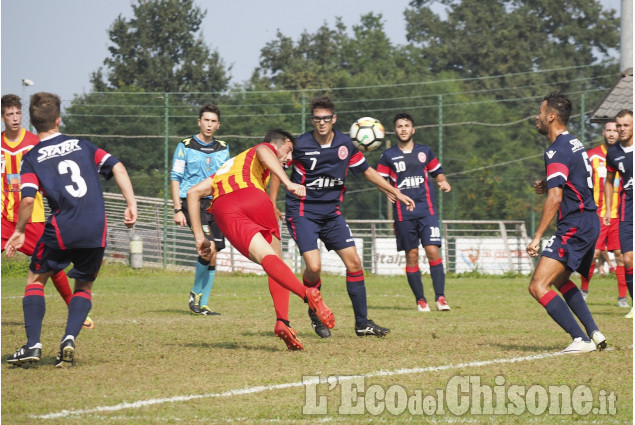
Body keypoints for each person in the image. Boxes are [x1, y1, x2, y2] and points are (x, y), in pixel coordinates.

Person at [5, 92, 137, 367]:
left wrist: (19, 230)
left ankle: (33, 345)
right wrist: (130, 204)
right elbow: (118, 167)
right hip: (95, 227)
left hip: (63, 227)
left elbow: (28, 198)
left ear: (31, 121)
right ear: (58, 119)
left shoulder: (32, 157)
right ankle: (68, 339)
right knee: (84, 286)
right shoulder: (83, 145)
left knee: (36, 279)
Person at [269, 96, 415, 339]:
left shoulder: (345, 144)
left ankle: (362, 323)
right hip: (303, 212)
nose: (322, 122)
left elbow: (366, 171)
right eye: (317, 118)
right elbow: (276, 171)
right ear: (312, 119)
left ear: (334, 119)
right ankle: (315, 309)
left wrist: (394, 190)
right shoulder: (301, 144)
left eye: (326, 118)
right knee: (314, 267)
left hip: (331, 213)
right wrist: (272, 204)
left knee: (355, 263)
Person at [187, 128, 335, 350]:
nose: (290, 157)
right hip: (255, 199)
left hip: (224, 209)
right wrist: (288, 183)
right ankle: (305, 296)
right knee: (275, 261)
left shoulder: (224, 171)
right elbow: (265, 150)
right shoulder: (263, 149)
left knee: (270, 261)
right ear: (281, 143)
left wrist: (200, 236)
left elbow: (192, 193)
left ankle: (283, 322)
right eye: (289, 150)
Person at [1, 94, 94, 329]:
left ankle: (73, 306)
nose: (14, 118)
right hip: (4, 216)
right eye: (9, 114)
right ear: (2, 117)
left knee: (50, 266)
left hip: (32, 216)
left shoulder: (35, 142)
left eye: (17, 113)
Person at [527, 92, 606, 354]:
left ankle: (579, 339)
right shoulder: (573, 143)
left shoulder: (557, 149)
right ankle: (594, 333)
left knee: (538, 285)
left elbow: (557, 196)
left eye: (540, 111)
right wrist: (547, 181)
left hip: (575, 225)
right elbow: (571, 181)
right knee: (560, 281)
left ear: (551, 116)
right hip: (588, 222)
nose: (536, 117)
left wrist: (537, 235)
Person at [377, 112, 452, 312]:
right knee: (412, 255)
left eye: (406, 125)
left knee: (433, 250)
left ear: (413, 129)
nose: (403, 129)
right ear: (395, 131)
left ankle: (441, 298)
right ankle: (421, 300)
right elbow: (380, 179)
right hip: (403, 213)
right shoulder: (388, 155)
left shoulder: (424, 152)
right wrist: (387, 191)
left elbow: (437, 172)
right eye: (399, 126)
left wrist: (442, 181)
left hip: (426, 210)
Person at [170, 104, 229, 316]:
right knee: (208, 246)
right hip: (194, 203)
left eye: (213, 121)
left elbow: (225, 179)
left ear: (218, 125)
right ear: (199, 122)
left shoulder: (223, 148)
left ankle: (204, 303)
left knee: (214, 255)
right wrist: (177, 209)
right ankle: (195, 294)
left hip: (216, 204)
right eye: (206, 120)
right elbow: (176, 178)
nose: (209, 124)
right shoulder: (184, 146)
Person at [581, 120, 627, 307]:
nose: (611, 133)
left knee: (621, 256)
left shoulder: (627, 155)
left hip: (621, 214)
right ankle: (583, 291)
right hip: (597, 214)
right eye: (608, 130)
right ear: (603, 133)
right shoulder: (591, 156)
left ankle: (622, 298)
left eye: (614, 130)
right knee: (593, 253)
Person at [604, 109, 633, 319]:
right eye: (619, 125)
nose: (621, 129)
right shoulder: (613, 152)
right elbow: (608, 180)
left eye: (626, 125)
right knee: (628, 258)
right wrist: (607, 208)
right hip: (627, 211)